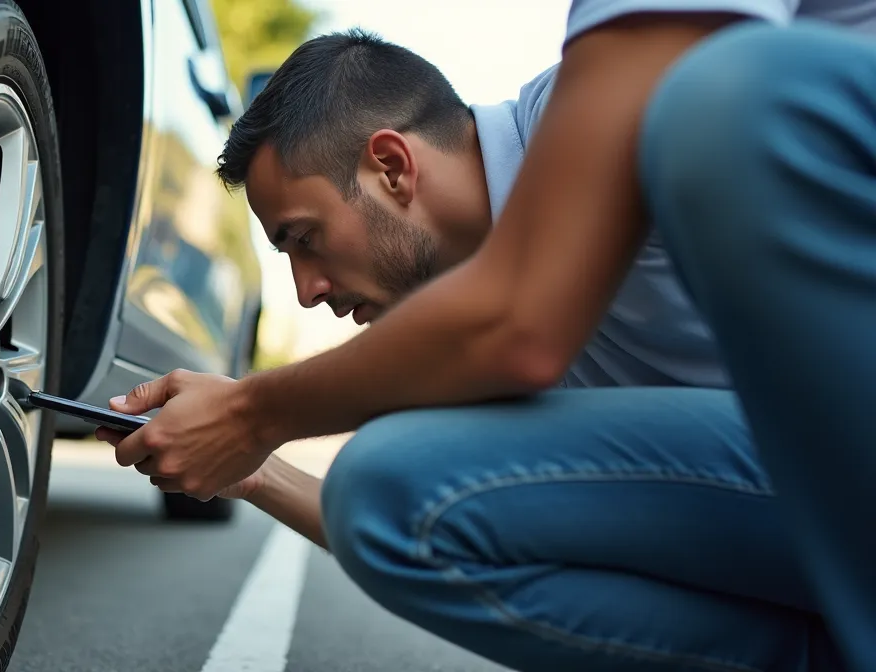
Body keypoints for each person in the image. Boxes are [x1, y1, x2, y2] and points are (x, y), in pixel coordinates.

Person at [94, 1, 876, 669]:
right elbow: (429, 506)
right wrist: (253, 469)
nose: (306, 290)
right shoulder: (483, 307)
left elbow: (521, 327)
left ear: (393, 167)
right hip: (815, 494)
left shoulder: (587, 147)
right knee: (395, 496)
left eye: (305, 238)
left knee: (726, 100)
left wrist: (247, 413)